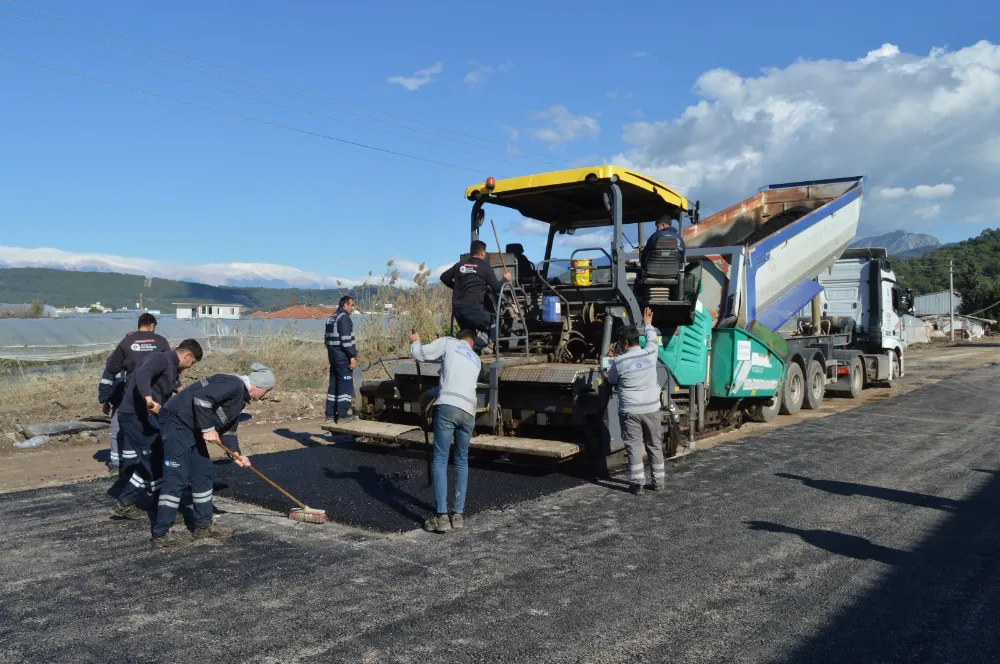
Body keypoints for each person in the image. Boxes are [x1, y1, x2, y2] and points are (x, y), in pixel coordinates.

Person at [150, 363, 275, 548]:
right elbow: (201, 399)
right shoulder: (232, 384)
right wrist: (208, 428)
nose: (265, 396)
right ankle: (161, 534)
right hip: (176, 423)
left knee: (203, 472)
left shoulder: (240, 398)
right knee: (176, 477)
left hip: (192, 428)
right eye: (266, 391)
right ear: (259, 386)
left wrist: (236, 454)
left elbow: (229, 429)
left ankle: (203, 526)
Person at [111, 339, 204, 521]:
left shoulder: (172, 368)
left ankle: (127, 503)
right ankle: (157, 507)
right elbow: (142, 375)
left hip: (148, 418)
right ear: (187, 355)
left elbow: (178, 387)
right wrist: (148, 399)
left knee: (156, 459)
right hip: (134, 416)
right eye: (192, 362)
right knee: (152, 461)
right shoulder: (159, 359)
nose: (190, 366)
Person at [409, 328, 481, 533]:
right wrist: (432, 394)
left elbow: (420, 354)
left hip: (447, 409)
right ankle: (458, 515)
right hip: (468, 412)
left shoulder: (450, 343)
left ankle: (441, 517)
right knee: (461, 460)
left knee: (440, 459)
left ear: (459, 338)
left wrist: (415, 341)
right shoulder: (476, 360)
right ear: (472, 343)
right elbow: (453, 382)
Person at [98, 313, 170, 476]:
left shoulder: (126, 346)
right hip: (151, 397)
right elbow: (170, 368)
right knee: (146, 428)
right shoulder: (161, 342)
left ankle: (135, 465)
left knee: (128, 430)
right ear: (152, 325)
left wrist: (104, 400)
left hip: (131, 398)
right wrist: (105, 399)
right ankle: (129, 463)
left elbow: (110, 371)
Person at [606, 307, 665, 495]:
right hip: (651, 409)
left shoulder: (620, 362)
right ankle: (658, 483)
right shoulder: (650, 353)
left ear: (624, 343)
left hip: (630, 411)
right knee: (654, 445)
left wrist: (607, 369)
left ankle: (637, 485)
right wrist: (648, 324)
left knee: (634, 446)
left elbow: (611, 380)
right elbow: (652, 339)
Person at [440, 240, 511, 353]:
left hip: (458, 310)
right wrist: (505, 279)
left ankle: (466, 354)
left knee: (469, 334)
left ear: (471, 252)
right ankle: (469, 349)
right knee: (494, 328)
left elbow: (443, 277)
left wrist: (457, 287)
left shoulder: (460, 265)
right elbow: (497, 288)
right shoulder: (485, 268)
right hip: (473, 308)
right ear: (483, 253)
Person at [325, 295, 358, 423]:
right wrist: (352, 356)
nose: (353, 308)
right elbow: (346, 341)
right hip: (343, 358)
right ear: (345, 305)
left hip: (333, 357)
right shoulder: (344, 318)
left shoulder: (331, 318)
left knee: (333, 387)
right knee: (345, 386)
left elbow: (326, 340)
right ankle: (343, 415)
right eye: (352, 305)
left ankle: (330, 415)